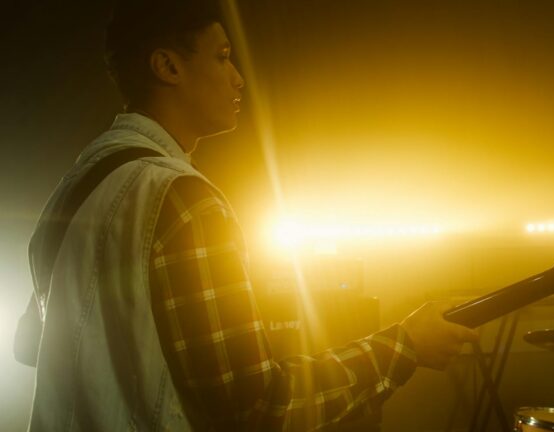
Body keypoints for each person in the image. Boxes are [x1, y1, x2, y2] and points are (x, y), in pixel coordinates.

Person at [24, 1, 478, 430]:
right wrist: (405, 345)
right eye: (222, 58)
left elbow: (30, 345)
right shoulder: (185, 200)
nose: (238, 79)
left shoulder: (75, 189)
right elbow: (261, 409)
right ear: (167, 67)